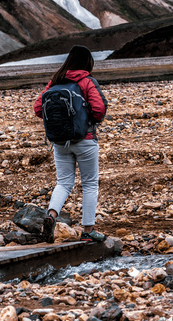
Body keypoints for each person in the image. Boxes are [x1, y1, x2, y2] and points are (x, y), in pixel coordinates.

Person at [33, 45, 107, 243]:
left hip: (59, 141)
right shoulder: (86, 81)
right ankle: (88, 230)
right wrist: (86, 118)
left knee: (63, 183)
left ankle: (51, 216)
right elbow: (99, 110)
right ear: (87, 62)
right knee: (90, 184)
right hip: (85, 140)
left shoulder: (55, 81)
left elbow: (38, 109)